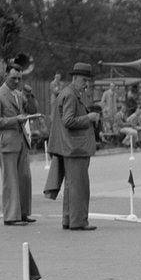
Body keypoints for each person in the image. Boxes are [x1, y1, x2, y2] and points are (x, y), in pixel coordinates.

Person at [44, 62, 100, 231]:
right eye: (84, 80)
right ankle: (79, 221)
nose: (86, 84)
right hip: (75, 148)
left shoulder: (69, 93)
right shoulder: (70, 95)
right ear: (75, 78)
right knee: (79, 186)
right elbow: (68, 121)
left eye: (87, 80)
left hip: (71, 147)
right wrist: (89, 118)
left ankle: (69, 219)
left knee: (71, 186)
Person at [0, 65, 36, 226]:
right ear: (5, 75)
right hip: (6, 143)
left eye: (19, 78)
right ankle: (11, 216)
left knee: (24, 178)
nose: (16, 81)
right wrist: (16, 120)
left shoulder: (19, 94)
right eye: (13, 77)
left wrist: (29, 96)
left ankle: (22, 212)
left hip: (21, 140)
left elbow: (32, 110)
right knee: (11, 180)